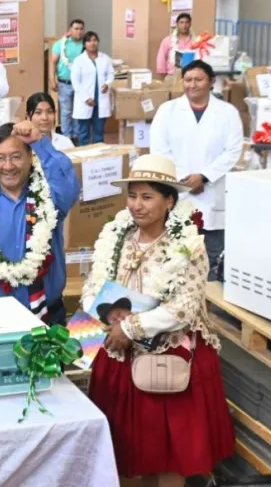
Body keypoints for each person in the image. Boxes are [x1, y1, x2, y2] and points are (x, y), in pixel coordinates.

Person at [83, 154, 234, 485]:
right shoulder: (117, 237)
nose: (137, 205)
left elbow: (184, 307)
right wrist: (101, 317)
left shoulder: (189, 246)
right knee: (130, 451)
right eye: (133, 195)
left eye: (147, 196)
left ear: (169, 201)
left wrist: (132, 328)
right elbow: (94, 285)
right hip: (119, 356)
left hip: (166, 359)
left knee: (168, 457)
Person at [0, 122, 80, 324]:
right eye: (0, 158)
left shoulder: (49, 197)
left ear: (30, 157)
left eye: (16, 157)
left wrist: (40, 142)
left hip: (46, 315)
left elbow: (68, 184)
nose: (8, 166)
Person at [150, 60, 243, 281]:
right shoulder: (168, 110)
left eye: (198, 80)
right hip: (179, 191)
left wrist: (204, 177)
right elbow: (160, 149)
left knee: (211, 255)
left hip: (214, 192)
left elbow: (233, 151)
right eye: (188, 80)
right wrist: (186, 181)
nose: (192, 85)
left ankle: (208, 306)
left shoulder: (228, 112)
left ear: (211, 82)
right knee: (176, 255)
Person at [70, 31, 114, 146]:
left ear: (98, 42)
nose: (92, 43)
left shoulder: (105, 58)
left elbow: (111, 74)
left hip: (100, 100)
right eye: (89, 41)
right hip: (85, 101)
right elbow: (76, 82)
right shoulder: (79, 60)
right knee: (83, 133)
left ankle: (98, 157)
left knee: (99, 133)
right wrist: (86, 98)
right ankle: (84, 157)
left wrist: (107, 84)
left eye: (94, 40)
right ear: (84, 44)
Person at [50, 20, 85, 144]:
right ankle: (66, 137)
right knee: (66, 111)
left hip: (81, 85)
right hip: (65, 83)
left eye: (81, 29)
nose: (79, 31)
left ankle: (76, 136)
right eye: (76, 28)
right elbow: (53, 62)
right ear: (70, 30)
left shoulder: (85, 45)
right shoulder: (61, 44)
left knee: (78, 110)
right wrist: (52, 79)